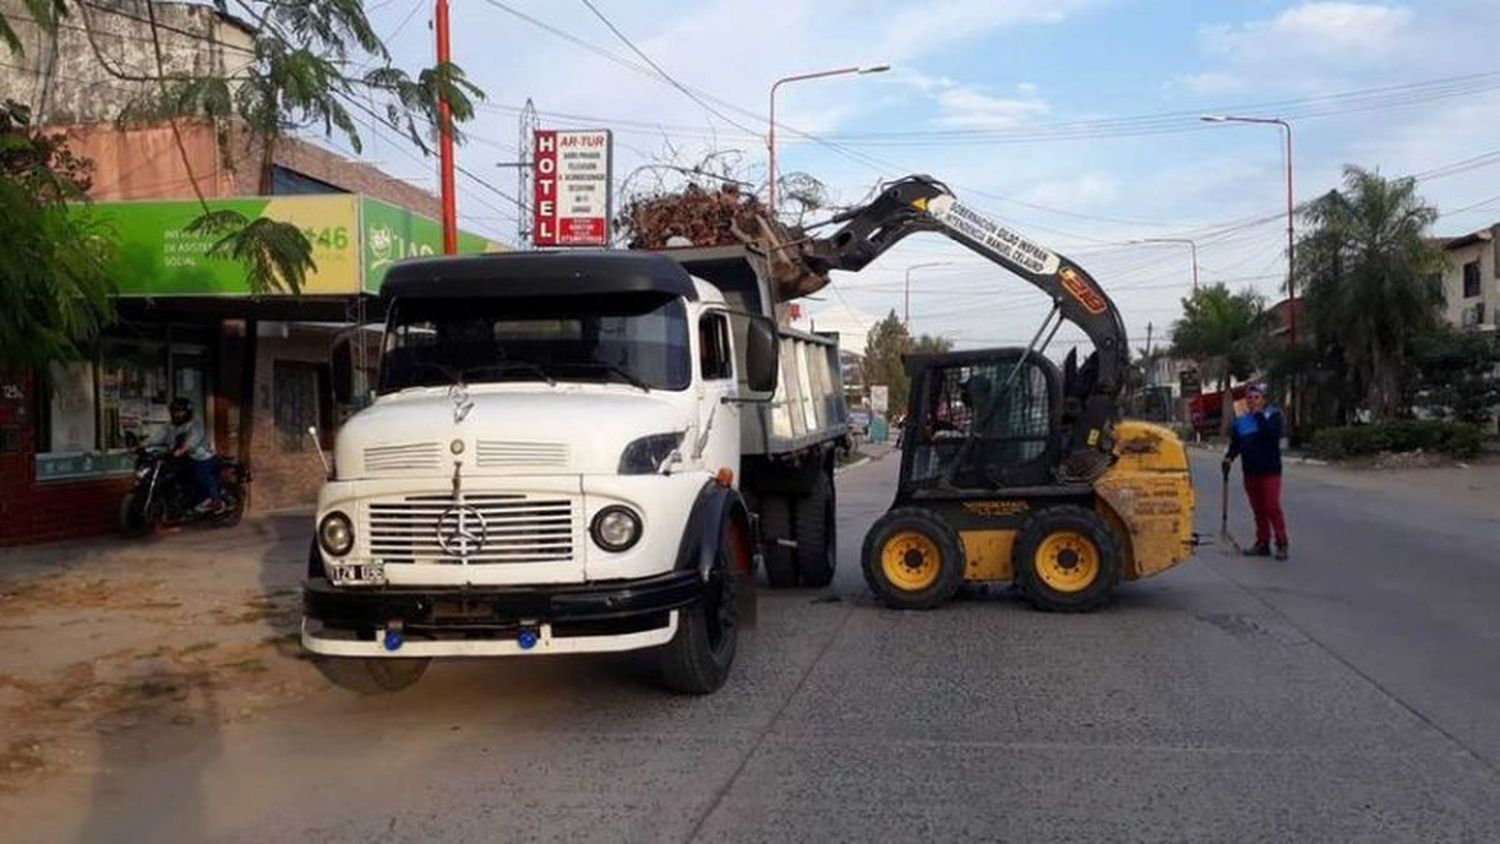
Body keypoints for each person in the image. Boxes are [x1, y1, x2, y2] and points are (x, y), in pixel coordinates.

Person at [1223, 383, 1288, 559]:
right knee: (1258, 509)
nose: (1252, 401)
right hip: (1250, 471)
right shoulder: (1242, 421)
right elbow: (1237, 443)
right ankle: (1262, 543)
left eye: (1256, 398)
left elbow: (1271, 435)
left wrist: (1258, 416)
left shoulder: (1272, 415)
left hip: (1270, 470)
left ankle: (1281, 543)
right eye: (1249, 398)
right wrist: (1229, 457)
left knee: (1272, 507)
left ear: (1263, 399)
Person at [151, 397, 223, 513]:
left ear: (188, 412)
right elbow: (157, 438)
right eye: (174, 411)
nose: (177, 414)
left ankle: (215, 500)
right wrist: (140, 445)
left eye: (180, 411)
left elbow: (192, 441)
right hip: (181, 458)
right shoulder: (170, 426)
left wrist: (183, 449)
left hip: (202, 458)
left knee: (201, 474)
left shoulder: (195, 424)